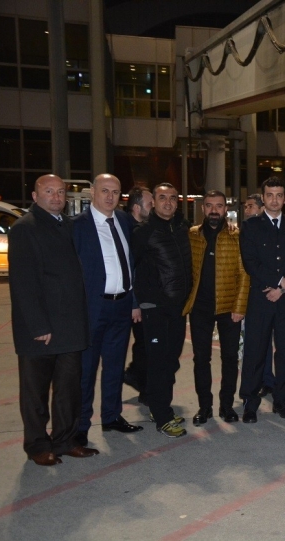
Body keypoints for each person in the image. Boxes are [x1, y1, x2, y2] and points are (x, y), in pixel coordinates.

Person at [8, 174, 98, 465]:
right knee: (35, 393)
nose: (56, 197)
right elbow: (23, 282)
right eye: (49, 191)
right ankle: (37, 445)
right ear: (35, 196)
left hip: (70, 327)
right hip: (41, 328)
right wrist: (38, 326)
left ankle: (65, 440)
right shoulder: (25, 229)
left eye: (61, 192)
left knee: (68, 390)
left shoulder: (67, 227)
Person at [72, 174, 143, 447]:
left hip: (122, 306)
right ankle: (80, 425)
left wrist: (134, 302)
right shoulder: (78, 227)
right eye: (105, 191)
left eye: (115, 191)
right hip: (92, 307)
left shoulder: (124, 221)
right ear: (93, 193)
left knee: (114, 366)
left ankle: (112, 417)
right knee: (87, 369)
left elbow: (131, 265)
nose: (110, 197)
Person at [239, 177, 285, 421]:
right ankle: (250, 403)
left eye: (279, 195)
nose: (274, 199)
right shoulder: (251, 226)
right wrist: (277, 284)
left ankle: (282, 401)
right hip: (261, 298)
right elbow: (250, 262)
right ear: (263, 198)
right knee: (255, 352)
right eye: (270, 195)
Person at [131, 183, 192, 438]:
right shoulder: (143, 232)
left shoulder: (182, 228)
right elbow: (131, 269)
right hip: (154, 308)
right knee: (158, 362)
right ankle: (162, 415)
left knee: (170, 360)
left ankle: (160, 407)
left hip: (178, 309)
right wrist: (137, 303)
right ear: (153, 202)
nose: (168, 202)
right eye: (162, 198)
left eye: (172, 198)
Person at [183, 191, 249, 425]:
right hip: (200, 308)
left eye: (218, 206)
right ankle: (204, 407)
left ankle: (227, 406)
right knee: (201, 359)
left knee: (230, 359)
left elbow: (244, 274)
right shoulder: (192, 235)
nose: (214, 210)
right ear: (203, 209)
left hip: (229, 308)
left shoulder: (237, 236)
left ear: (225, 209)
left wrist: (239, 306)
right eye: (209, 206)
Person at [122, 186, 153, 406]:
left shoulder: (140, 228)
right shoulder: (132, 233)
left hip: (143, 300)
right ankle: (140, 383)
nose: (154, 208)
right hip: (137, 302)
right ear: (136, 208)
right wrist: (135, 303)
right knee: (144, 345)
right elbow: (131, 270)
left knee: (144, 345)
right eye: (150, 204)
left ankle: (140, 382)